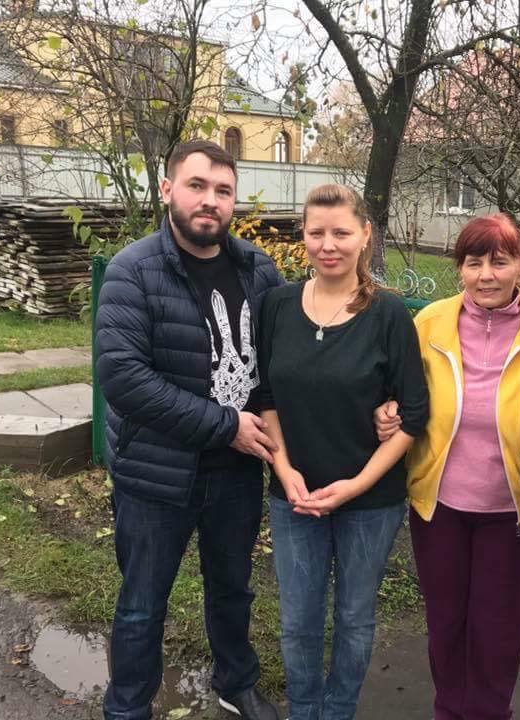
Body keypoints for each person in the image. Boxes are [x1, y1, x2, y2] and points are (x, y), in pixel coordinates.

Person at [96, 139, 283, 720]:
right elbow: (123, 378)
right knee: (142, 603)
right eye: (197, 185)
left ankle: (236, 682)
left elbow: (284, 360)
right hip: (156, 474)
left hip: (235, 473)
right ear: (167, 189)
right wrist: (225, 426)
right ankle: (127, 707)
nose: (210, 201)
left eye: (223, 190)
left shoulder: (258, 270)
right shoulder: (133, 271)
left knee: (233, 589)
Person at [258, 183, 429, 720]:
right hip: (295, 496)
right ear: (303, 235)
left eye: (341, 232)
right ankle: (305, 711)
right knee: (297, 622)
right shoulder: (277, 306)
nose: (328, 245)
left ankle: (338, 713)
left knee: (354, 619)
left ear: (365, 235)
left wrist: (355, 486)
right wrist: (283, 468)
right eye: (316, 233)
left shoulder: (389, 315)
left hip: (370, 503)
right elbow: (264, 397)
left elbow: (414, 416)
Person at [377, 213, 520, 720]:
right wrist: (388, 409)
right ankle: (448, 709)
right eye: (474, 263)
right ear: (459, 269)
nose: (486, 275)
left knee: (499, 628)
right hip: (440, 506)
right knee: (446, 621)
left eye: (500, 262)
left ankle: (490, 712)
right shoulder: (430, 323)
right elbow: (400, 390)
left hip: (514, 510)